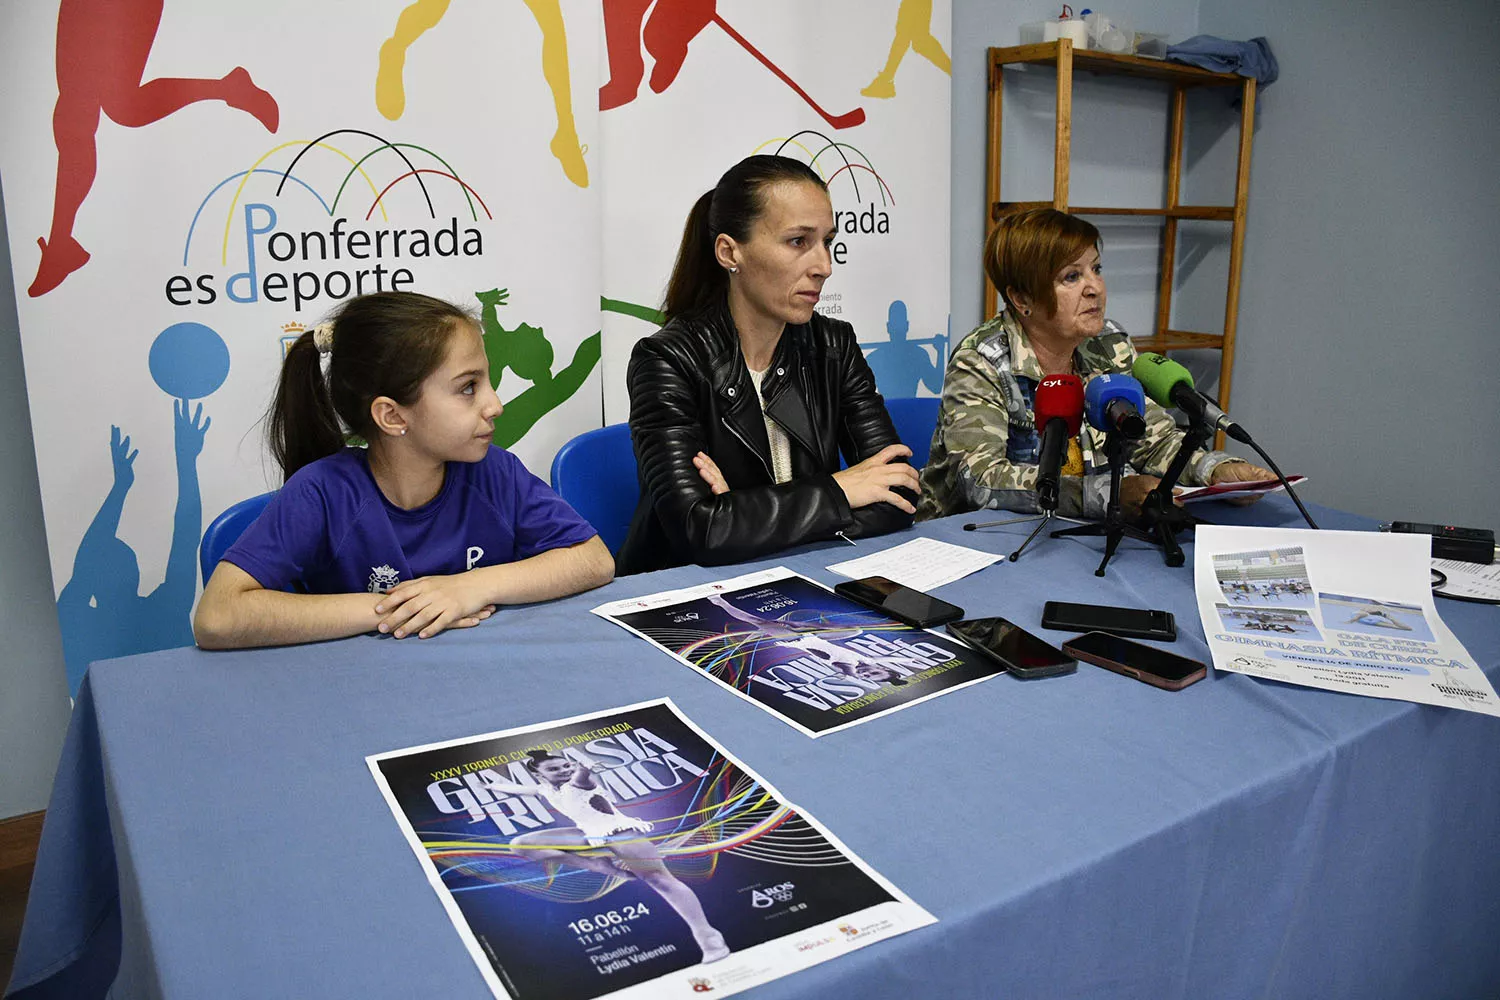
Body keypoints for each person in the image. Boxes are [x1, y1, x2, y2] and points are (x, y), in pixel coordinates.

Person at [192, 292, 613, 649]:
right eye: (468, 388)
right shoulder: (322, 493)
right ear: (392, 417)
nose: (495, 404)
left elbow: (594, 561)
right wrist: (401, 609)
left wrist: (470, 587)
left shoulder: (496, 472)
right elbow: (216, 617)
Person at [620, 155, 918, 575]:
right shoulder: (668, 360)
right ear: (729, 252)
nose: (824, 267)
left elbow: (899, 495)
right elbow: (699, 532)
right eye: (798, 241)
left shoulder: (834, 345)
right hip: (692, 599)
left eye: (827, 241)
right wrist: (840, 490)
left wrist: (743, 516)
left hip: (810, 581)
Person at [918, 208, 1273, 521]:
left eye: (1096, 269)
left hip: (1080, 533)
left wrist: (1214, 471)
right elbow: (979, 480)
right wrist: (1105, 495)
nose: (1095, 288)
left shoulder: (1109, 343)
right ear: (1022, 298)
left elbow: (1153, 440)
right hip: (978, 541)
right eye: (1071, 277)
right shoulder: (981, 361)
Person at [489, 750, 731, 964]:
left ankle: (708, 936)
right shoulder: (544, 789)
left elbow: (581, 776)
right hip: (589, 835)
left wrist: (584, 768)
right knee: (521, 845)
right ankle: (599, 865)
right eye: (554, 769)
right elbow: (520, 789)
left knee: (659, 880)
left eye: (566, 766)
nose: (563, 771)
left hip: (619, 832)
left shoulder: (579, 782)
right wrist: (493, 786)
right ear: (541, 776)